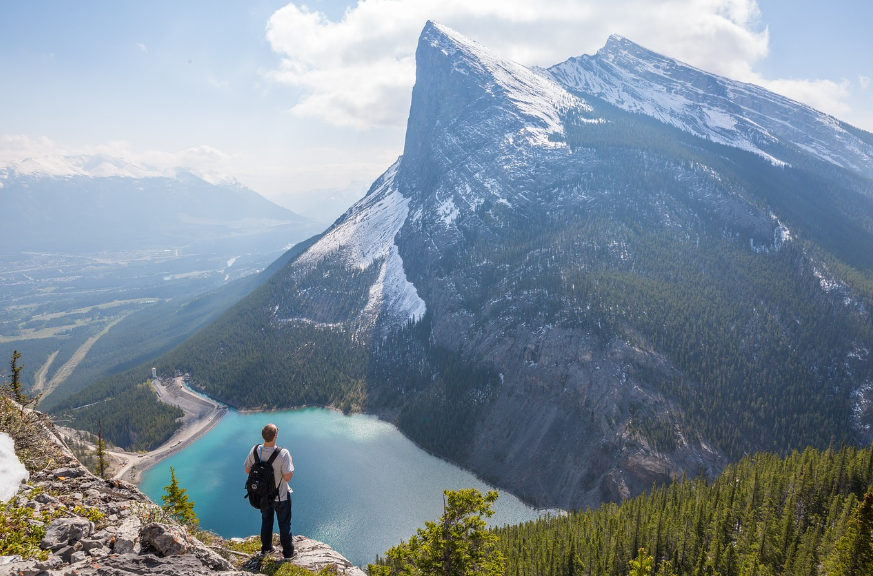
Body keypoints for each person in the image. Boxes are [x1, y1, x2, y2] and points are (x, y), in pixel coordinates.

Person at [244, 423, 295, 558]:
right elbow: (288, 477)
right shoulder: (283, 453)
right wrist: (290, 463)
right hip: (281, 497)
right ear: (275, 436)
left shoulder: (255, 450)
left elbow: (247, 470)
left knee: (266, 521)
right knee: (284, 525)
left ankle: (266, 550)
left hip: (263, 496)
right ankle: (288, 554)